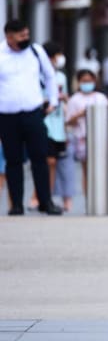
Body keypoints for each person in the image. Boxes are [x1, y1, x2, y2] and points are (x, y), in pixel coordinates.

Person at [0, 19, 62, 215]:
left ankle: (45, 201)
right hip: (7, 115)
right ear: (9, 37)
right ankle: (16, 204)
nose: (26, 38)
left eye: (27, 34)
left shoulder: (36, 51)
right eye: (21, 36)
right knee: (13, 160)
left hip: (33, 112)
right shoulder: (1, 54)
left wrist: (53, 101)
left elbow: (50, 75)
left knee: (40, 158)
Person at [35, 42, 74, 211]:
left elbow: (64, 102)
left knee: (53, 163)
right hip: (43, 123)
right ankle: (39, 197)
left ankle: (46, 197)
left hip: (58, 126)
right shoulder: (37, 75)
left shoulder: (61, 77)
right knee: (47, 161)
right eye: (58, 54)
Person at [66, 69, 108, 197]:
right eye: (84, 81)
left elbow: (107, 118)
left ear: (94, 81)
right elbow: (68, 121)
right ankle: (88, 198)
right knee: (87, 170)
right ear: (79, 82)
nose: (87, 83)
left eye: (89, 81)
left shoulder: (101, 98)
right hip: (82, 138)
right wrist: (79, 114)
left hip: (99, 138)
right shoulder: (74, 99)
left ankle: (100, 197)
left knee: (99, 170)